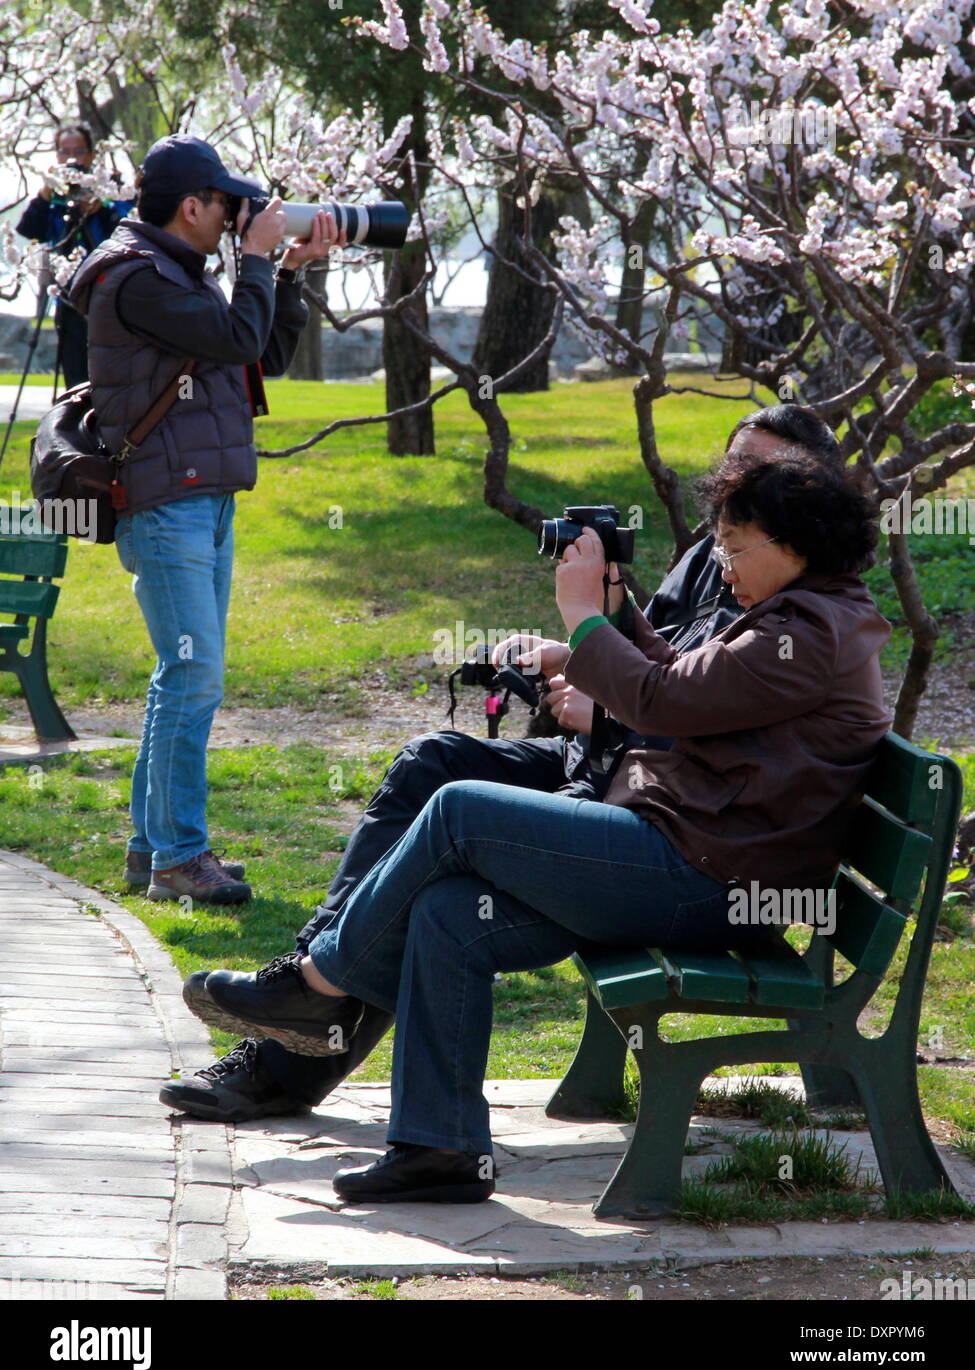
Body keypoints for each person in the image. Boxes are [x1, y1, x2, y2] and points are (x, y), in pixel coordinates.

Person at [180, 448, 890, 1205]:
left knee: (459, 805)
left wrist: (582, 614)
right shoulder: (798, 616)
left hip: (708, 879)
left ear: (793, 546)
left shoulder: (807, 632)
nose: (720, 561)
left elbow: (658, 705)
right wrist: (617, 613)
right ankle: (439, 1148)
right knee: (447, 913)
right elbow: (681, 683)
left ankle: (316, 986)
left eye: (734, 544)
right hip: (693, 856)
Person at [67, 134, 344, 904]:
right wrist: (255, 263)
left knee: (179, 677)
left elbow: (259, 354)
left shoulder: (175, 272)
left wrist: (281, 273)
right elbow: (234, 335)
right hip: (166, 506)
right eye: (224, 204)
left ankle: (151, 847)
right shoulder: (137, 276)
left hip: (200, 500)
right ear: (192, 206)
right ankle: (179, 858)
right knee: (193, 676)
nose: (235, 216)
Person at [15, 121, 134, 386]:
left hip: (110, 301)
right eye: (64, 151)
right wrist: (46, 192)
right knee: (76, 381)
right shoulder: (54, 198)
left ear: (92, 155)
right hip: (69, 302)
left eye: (79, 151)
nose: (71, 159)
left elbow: (130, 228)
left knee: (111, 380)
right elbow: (29, 229)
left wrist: (100, 208)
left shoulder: (110, 188)